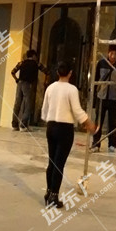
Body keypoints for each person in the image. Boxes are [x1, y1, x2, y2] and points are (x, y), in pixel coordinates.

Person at [41, 61, 96, 208]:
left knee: (52, 161)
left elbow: (44, 111)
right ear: (70, 73)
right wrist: (88, 122)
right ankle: (54, 196)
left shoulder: (50, 88)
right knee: (59, 163)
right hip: (65, 129)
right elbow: (77, 110)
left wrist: (50, 118)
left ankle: (48, 192)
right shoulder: (72, 89)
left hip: (51, 126)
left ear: (57, 72)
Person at [92, 45, 116, 153]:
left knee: (113, 123)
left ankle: (112, 145)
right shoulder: (101, 63)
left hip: (114, 97)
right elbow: (95, 80)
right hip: (101, 97)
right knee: (98, 122)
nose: (113, 56)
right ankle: (95, 144)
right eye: (111, 53)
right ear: (108, 53)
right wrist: (94, 97)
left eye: (115, 54)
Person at [10, 50, 49, 132]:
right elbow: (47, 72)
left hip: (20, 83)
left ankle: (14, 124)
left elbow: (13, 72)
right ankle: (23, 125)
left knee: (17, 103)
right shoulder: (36, 63)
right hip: (28, 84)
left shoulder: (21, 63)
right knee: (28, 104)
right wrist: (46, 81)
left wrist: (17, 79)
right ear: (34, 56)